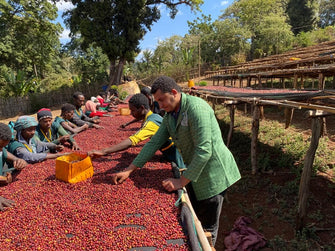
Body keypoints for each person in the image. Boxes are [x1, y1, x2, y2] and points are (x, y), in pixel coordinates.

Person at [110, 76, 241, 246]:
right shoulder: (170, 115)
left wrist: (181, 181)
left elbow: (204, 150)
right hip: (194, 168)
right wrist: (130, 169)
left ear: (173, 92)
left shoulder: (196, 109)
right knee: (195, 216)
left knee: (208, 225)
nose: (160, 105)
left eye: (162, 100)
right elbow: (155, 142)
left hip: (213, 173)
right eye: (157, 101)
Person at [89, 93, 185, 169]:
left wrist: (103, 151)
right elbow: (138, 119)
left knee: (183, 170)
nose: (131, 113)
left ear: (142, 108)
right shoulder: (153, 116)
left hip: (177, 155)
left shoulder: (150, 124)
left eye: (133, 111)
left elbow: (132, 141)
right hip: (170, 152)